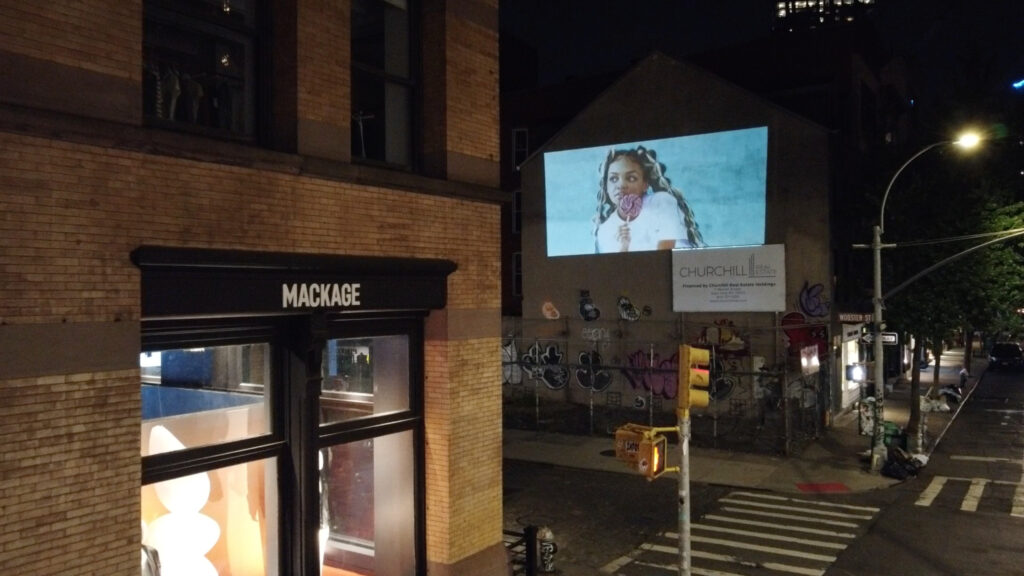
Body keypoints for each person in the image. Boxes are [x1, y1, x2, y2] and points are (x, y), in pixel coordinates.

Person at [592, 146, 704, 253]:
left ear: (645, 185)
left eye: (631, 178)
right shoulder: (604, 231)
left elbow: (664, 255)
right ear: (606, 186)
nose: (621, 185)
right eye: (613, 178)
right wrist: (624, 247)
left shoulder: (662, 202)